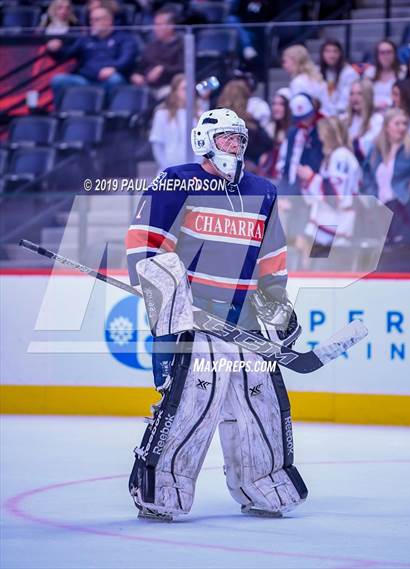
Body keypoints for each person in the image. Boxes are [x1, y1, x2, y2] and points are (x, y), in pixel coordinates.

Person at [125, 107, 308, 521]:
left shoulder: (262, 190)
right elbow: (145, 244)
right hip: (190, 320)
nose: (235, 146)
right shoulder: (177, 181)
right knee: (190, 404)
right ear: (205, 141)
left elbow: (272, 257)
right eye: (226, 138)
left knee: (257, 404)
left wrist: (276, 307)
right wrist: (166, 301)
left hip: (242, 323)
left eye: (239, 139)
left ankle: (263, 485)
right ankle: (162, 493)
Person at [295, 116, 361, 264]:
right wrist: (307, 181)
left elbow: (336, 196)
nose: (319, 137)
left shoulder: (341, 156)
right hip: (327, 222)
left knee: (324, 270)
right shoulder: (331, 157)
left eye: (322, 133)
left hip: (336, 223)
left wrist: (311, 177)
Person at [47, 6, 138, 104]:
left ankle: (107, 115)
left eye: (96, 20)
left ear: (108, 21)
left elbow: (126, 59)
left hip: (107, 79)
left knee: (115, 80)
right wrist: (54, 50)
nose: (92, 23)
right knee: (58, 80)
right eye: (91, 20)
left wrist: (114, 68)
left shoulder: (124, 38)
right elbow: (66, 55)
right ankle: (59, 114)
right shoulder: (85, 39)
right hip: (84, 80)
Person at [362, 108, 410, 245]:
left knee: (401, 251)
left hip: (404, 206)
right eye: (397, 123)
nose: (402, 127)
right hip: (380, 208)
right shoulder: (376, 150)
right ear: (387, 127)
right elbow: (367, 175)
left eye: (405, 123)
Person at [217, 79, 273, 171]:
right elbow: (268, 145)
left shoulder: (214, 121)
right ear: (244, 99)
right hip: (245, 174)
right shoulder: (249, 124)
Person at [130, 6, 184, 100]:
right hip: (147, 87)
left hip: (169, 86)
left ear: (170, 26)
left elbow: (183, 69)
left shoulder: (182, 45)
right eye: (154, 24)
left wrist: (163, 69)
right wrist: (136, 75)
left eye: (159, 24)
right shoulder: (151, 45)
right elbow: (140, 68)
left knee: (167, 94)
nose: (155, 28)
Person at [150, 73, 200, 170]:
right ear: (175, 90)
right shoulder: (162, 114)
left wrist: (194, 168)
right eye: (185, 88)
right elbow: (157, 145)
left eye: (191, 89)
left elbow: (204, 148)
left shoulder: (200, 114)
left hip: (193, 173)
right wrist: (168, 168)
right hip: (168, 170)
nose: (189, 92)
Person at [281, 44, 332, 115]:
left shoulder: (298, 82)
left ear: (295, 60)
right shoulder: (315, 77)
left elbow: (300, 110)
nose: (284, 66)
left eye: (285, 62)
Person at [342, 78, 384, 162]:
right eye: (352, 94)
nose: (355, 98)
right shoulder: (344, 119)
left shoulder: (377, 120)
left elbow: (368, 149)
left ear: (368, 96)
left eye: (359, 94)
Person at [319, 38, 359, 115]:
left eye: (335, 51)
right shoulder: (318, 72)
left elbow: (345, 102)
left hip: (343, 115)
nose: (332, 55)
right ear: (322, 54)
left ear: (340, 54)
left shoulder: (349, 73)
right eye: (328, 51)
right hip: (323, 116)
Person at [258, 88, 291, 180]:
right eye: (274, 104)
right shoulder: (270, 128)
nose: (276, 108)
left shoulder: (294, 131)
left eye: (281, 104)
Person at [363, 40, 405, 111]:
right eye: (382, 53)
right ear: (377, 55)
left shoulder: (403, 72)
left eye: (389, 52)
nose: (386, 56)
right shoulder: (370, 72)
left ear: (395, 54)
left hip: (394, 112)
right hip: (372, 111)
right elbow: (364, 96)